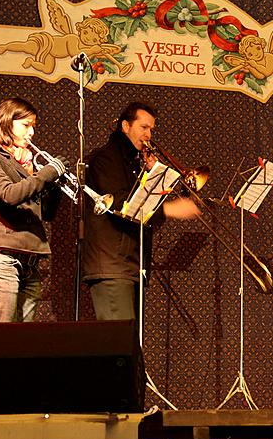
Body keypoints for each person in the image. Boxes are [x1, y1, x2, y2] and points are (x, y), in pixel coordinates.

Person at [82, 102, 199, 321]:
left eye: (151, 129)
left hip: (129, 265)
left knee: (129, 346)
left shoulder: (131, 162)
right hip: (112, 266)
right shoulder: (107, 159)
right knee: (118, 345)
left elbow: (143, 217)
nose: (149, 135)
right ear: (125, 126)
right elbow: (120, 206)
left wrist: (149, 175)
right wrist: (169, 209)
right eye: (144, 128)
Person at [0, 97, 66, 323]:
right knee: (0, 339)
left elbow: (48, 213)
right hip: (2, 259)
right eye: (26, 125)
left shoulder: (30, 165)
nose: (32, 132)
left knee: (23, 344)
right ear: (7, 123)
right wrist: (45, 175)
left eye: (33, 126)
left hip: (30, 262)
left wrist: (53, 186)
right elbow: (9, 195)